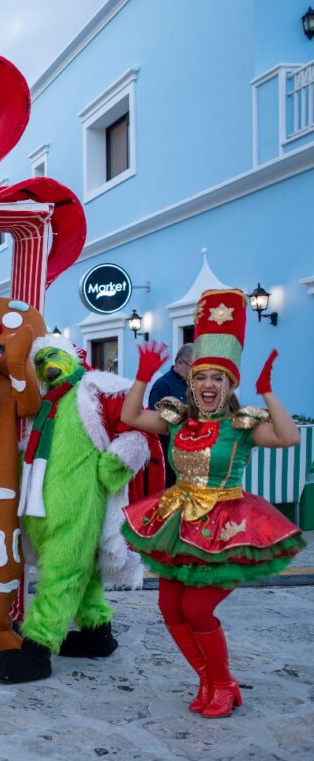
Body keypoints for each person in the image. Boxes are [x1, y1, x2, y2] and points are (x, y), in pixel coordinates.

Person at [120, 288, 305, 718]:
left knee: (197, 609)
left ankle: (222, 682)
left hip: (226, 525)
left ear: (229, 385)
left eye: (218, 379)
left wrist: (267, 392)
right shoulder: (178, 420)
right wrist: (142, 376)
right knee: (170, 608)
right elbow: (131, 417)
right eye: (201, 377)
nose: (208, 385)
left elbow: (289, 437)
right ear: (190, 382)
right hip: (178, 522)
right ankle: (208, 679)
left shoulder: (242, 425)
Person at [148, 343, 193, 487]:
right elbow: (157, 418)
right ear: (180, 362)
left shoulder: (194, 385)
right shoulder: (162, 385)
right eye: (193, 367)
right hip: (169, 457)